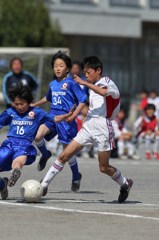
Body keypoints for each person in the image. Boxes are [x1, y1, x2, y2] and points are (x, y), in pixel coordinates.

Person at [40, 56, 133, 203]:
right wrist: (74, 114)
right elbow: (84, 102)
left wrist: (83, 82)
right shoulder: (89, 86)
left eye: (88, 72)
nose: (86, 75)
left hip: (103, 126)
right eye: (85, 73)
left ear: (98, 70)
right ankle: (43, 185)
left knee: (103, 167)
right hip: (88, 125)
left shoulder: (106, 82)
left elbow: (103, 93)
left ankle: (125, 183)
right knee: (64, 155)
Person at [0, 85, 75, 200]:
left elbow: (54, 118)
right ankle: (2, 185)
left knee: (19, 161)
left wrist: (66, 115)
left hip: (24, 145)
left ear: (29, 101)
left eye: (22, 104)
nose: (19, 107)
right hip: (9, 144)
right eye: (16, 104)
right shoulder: (10, 112)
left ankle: (16, 171)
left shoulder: (37, 112)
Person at [31, 51, 87, 192]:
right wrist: (35, 104)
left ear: (67, 68)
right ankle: (45, 154)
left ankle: (76, 176)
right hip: (53, 117)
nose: (57, 68)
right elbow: (48, 98)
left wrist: (74, 115)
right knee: (37, 136)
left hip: (66, 120)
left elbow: (82, 99)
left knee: (67, 154)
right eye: (55, 65)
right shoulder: (52, 84)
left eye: (61, 65)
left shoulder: (71, 83)